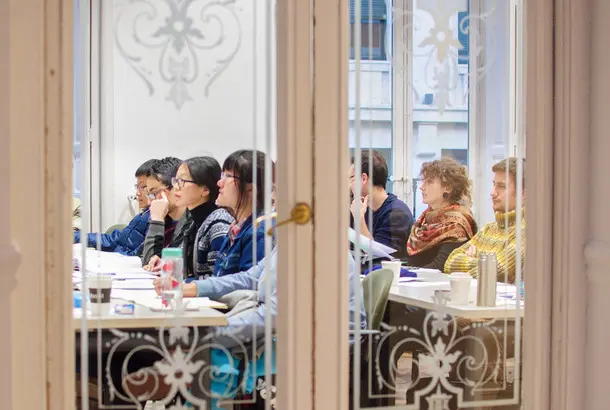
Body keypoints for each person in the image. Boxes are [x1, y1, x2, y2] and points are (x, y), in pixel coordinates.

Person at [145, 157, 234, 279]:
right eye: (176, 181)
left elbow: (219, 280)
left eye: (182, 181)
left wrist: (184, 283)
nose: (176, 187)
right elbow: (185, 266)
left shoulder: (219, 222)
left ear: (205, 189)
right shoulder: (192, 223)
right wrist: (166, 266)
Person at [445, 157, 526, 284]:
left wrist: (473, 259)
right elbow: (449, 263)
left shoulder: (527, 231)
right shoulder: (488, 229)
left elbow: (499, 271)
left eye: (502, 186)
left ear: (524, 193)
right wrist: (484, 263)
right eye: (494, 185)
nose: (493, 193)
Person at [73, 158, 159, 256]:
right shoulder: (144, 214)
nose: (137, 193)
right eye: (137, 187)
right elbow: (113, 240)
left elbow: (139, 257)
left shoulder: (156, 219)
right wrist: (76, 237)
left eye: (143, 187)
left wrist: (109, 257)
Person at [405, 157, 477, 270]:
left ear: (447, 187)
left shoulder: (456, 223)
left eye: (429, 182)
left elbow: (439, 267)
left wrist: (405, 272)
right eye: (423, 181)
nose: (421, 187)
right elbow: (414, 261)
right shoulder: (427, 218)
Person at [212, 150, 271, 277]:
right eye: (222, 175)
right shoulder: (235, 228)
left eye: (228, 176)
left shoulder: (259, 232)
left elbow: (248, 285)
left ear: (251, 188)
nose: (219, 183)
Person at [349, 150, 414, 259]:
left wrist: (359, 219)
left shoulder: (397, 214)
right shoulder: (360, 208)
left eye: (351, 178)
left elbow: (380, 257)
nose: (349, 184)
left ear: (363, 179)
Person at [141, 157, 187, 265]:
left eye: (154, 193)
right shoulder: (165, 221)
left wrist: (157, 221)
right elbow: (148, 262)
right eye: (149, 195)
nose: (149, 202)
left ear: (175, 187)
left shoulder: (190, 224)